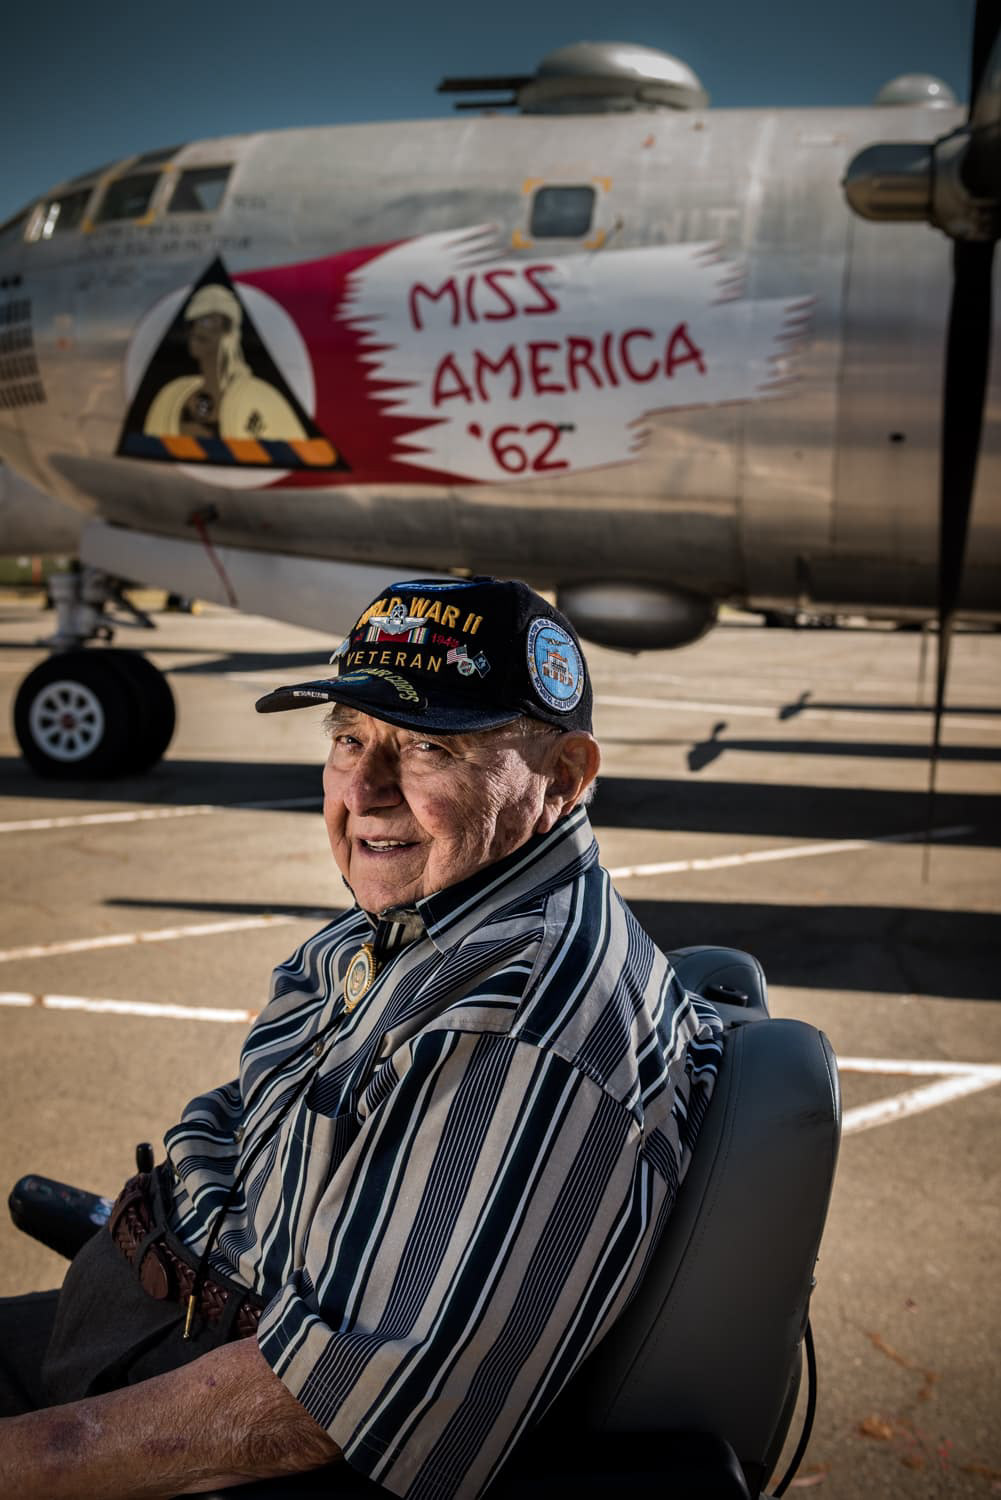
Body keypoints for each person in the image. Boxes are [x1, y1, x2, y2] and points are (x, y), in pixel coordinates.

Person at [0, 576, 723, 1499]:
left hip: (184, 1383)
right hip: (157, 1304)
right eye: (349, 738)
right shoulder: (433, 913)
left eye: (429, 746)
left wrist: (37, 1458)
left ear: (565, 776)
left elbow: (322, 1410)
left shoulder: (518, 1022)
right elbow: (266, 1109)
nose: (367, 792)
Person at [143, 283, 308, 442]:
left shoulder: (260, 397)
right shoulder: (172, 395)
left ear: (230, 333)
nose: (197, 330)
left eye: (207, 322)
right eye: (193, 323)